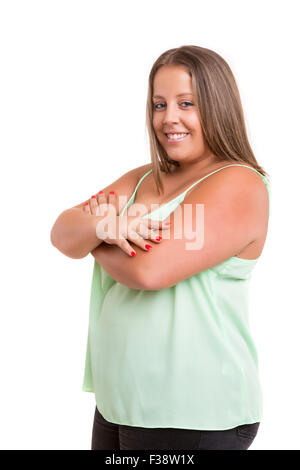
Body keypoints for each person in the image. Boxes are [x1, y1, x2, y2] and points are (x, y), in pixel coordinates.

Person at [50, 45, 271, 450]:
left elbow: (147, 271)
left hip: (193, 413)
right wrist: (110, 226)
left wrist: (97, 234)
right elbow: (63, 234)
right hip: (118, 405)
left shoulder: (239, 184)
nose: (169, 118)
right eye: (159, 104)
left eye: (187, 103)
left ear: (217, 107)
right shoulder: (142, 179)